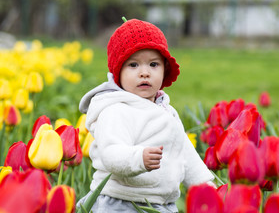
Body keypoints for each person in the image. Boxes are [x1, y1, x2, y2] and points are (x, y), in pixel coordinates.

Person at [77, 19, 214, 212]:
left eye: (153, 64)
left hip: (162, 204)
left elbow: (184, 152)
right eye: (133, 65)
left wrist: (205, 186)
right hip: (121, 203)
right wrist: (138, 158)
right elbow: (111, 153)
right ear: (118, 71)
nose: (144, 73)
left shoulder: (166, 111)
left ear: (164, 69)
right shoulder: (116, 110)